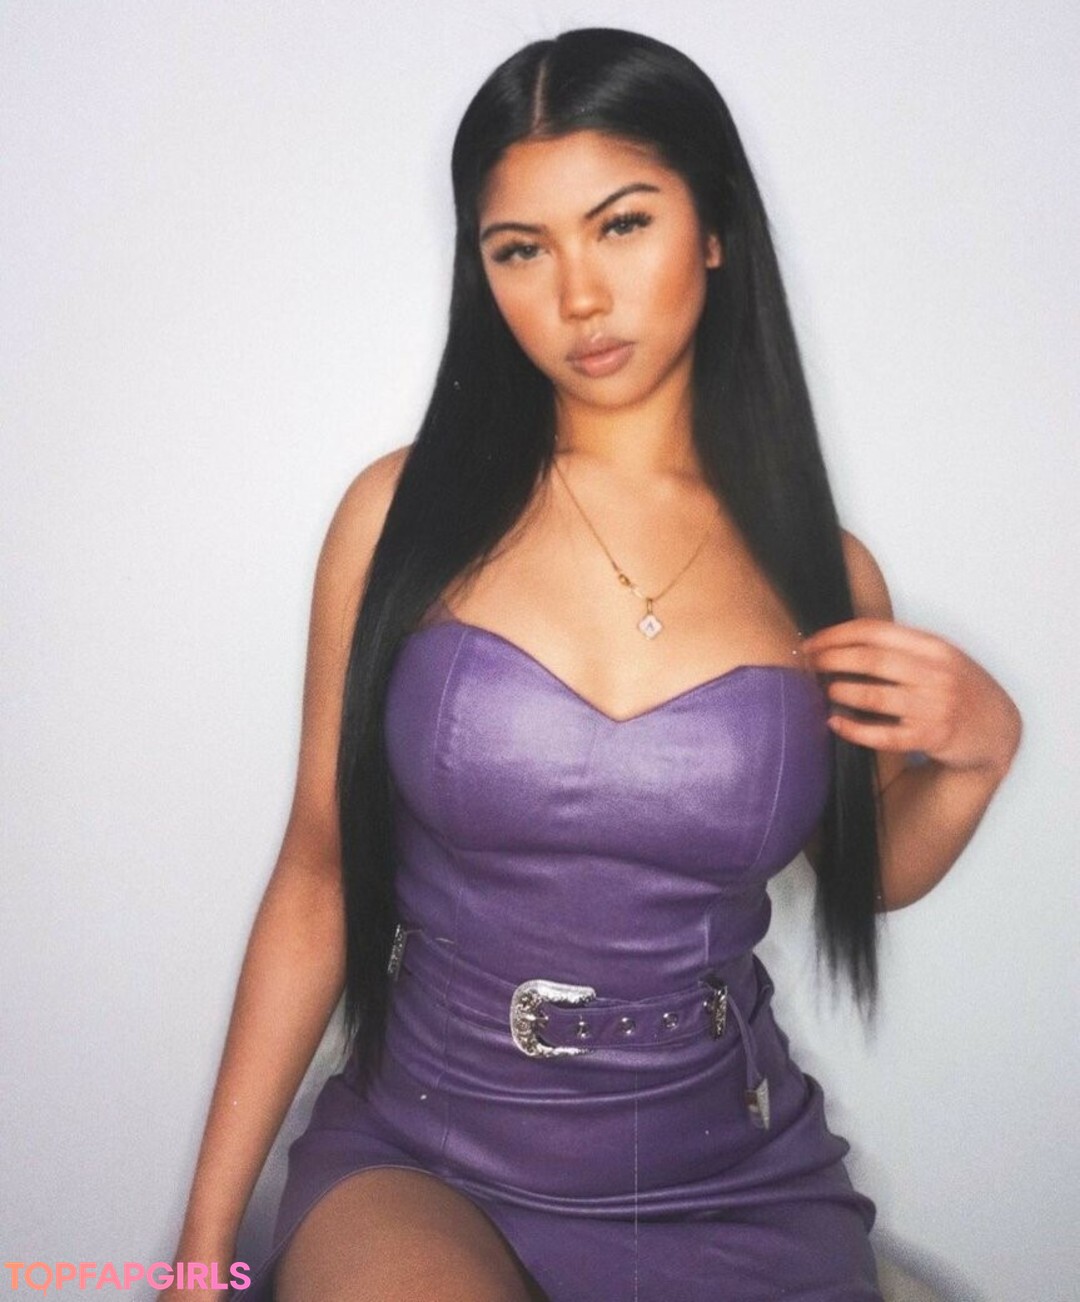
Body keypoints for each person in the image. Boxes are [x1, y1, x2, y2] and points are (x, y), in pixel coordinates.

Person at [162, 28, 1021, 1302]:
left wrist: (978, 759)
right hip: (425, 1159)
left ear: (714, 230)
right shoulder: (399, 519)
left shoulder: (822, 575)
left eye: (622, 225)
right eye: (522, 248)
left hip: (729, 1171)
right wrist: (201, 1249)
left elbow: (865, 871)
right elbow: (318, 872)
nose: (577, 296)